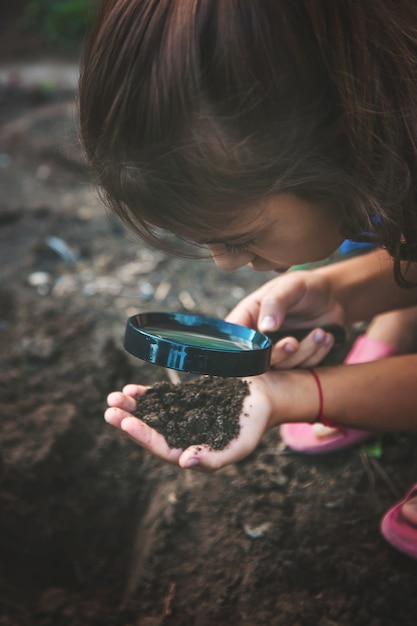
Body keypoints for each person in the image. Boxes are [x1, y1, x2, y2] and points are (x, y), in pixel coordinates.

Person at [78, 1, 417, 560]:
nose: (226, 264)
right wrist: (340, 292)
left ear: (332, 144)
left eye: (240, 238)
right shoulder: (383, 119)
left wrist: (295, 394)